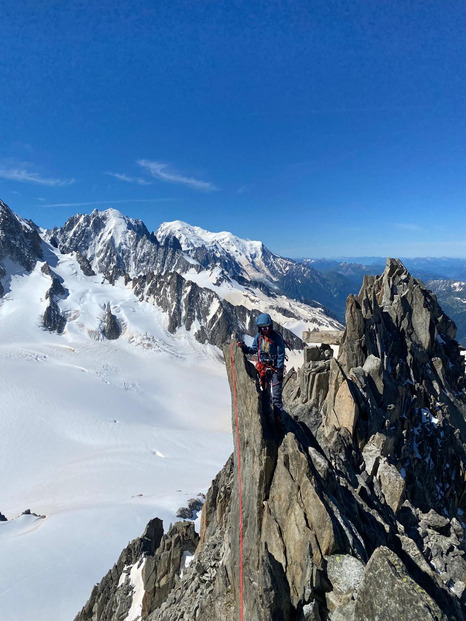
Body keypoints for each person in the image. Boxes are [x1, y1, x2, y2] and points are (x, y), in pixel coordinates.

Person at [237, 313, 286, 420]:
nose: (265, 330)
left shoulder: (276, 338)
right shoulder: (259, 337)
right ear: (259, 329)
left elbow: (281, 354)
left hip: (274, 369)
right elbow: (254, 349)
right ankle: (267, 416)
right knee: (265, 393)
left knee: (276, 396)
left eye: (267, 327)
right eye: (262, 328)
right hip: (264, 369)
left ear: (270, 326)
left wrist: (279, 369)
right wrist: (244, 348)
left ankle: (278, 419)